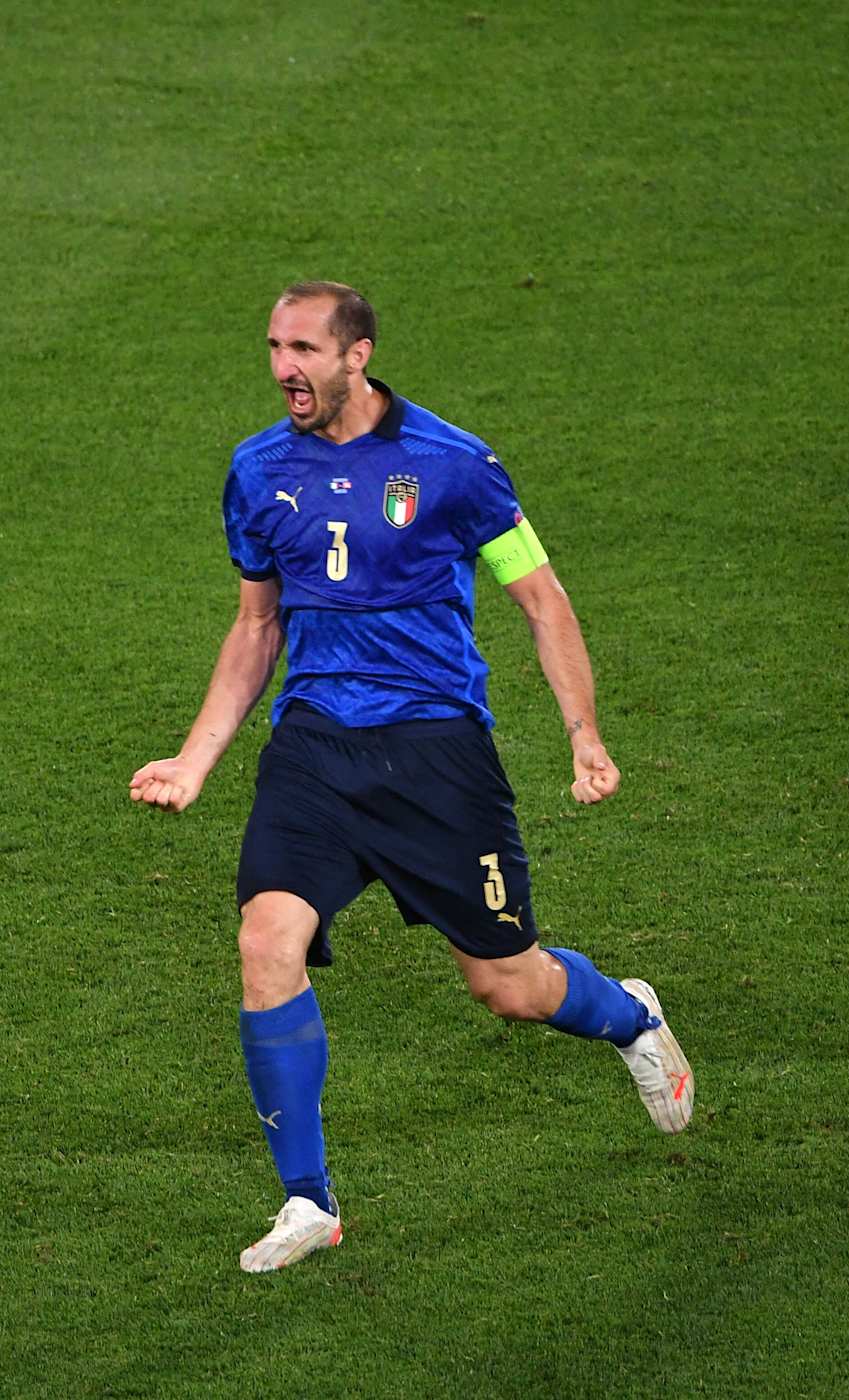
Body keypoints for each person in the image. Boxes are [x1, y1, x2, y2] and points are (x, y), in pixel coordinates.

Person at [130, 281, 693, 1273]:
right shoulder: (258, 470)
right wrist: (195, 756)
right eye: (274, 347)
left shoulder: (453, 463)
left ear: (359, 355)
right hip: (315, 749)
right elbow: (257, 625)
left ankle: (629, 1015)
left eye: (304, 349)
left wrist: (584, 736)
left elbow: (542, 601)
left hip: (436, 757)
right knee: (266, 939)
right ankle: (308, 1198)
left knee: (508, 986)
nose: (284, 369)